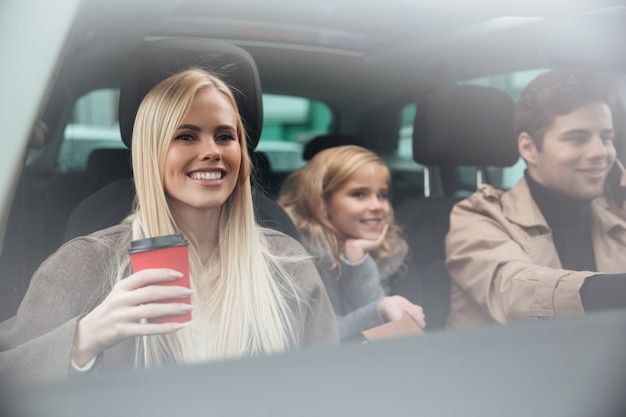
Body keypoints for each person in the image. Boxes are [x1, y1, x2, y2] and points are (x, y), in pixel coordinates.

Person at [0, 68, 338, 382]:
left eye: (224, 136)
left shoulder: (288, 264)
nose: (212, 151)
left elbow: (327, 384)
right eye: (186, 136)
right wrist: (83, 340)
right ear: (152, 151)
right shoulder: (85, 264)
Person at [445, 69, 626, 329]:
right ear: (528, 148)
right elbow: (514, 293)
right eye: (577, 138)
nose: (601, 152)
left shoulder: (614, 221)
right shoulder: (477, 216)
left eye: (606, 138)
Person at [278, 145, 425, 341]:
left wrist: (357, 258)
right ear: (322, 200)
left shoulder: (392, 248)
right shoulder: (295, 251)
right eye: (359, 194)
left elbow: (385, 337)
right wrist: (380, 309)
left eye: (382, 195)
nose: (377, 206)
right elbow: (321, 336)